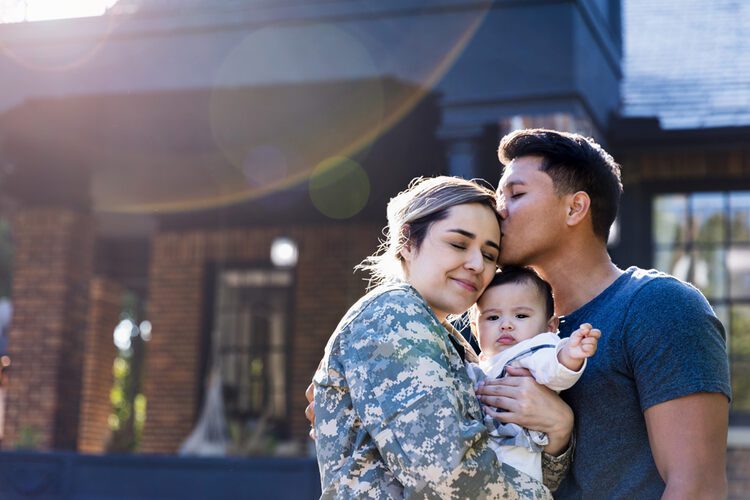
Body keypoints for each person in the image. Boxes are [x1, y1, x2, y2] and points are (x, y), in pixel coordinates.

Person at [475, 128, 731, 499]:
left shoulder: (659, 307)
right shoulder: (492, 326)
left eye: (515, 194)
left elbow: (697, 488)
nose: (498, 210)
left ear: (575, 207)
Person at [312, 176, 557, 498]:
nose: (475, 264)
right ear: (407, 242)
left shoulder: (450, 339)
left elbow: (509, 464)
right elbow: (446, 475)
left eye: (489, 255)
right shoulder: (393, 314)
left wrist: (558, 428)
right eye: (458, 244)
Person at [465, 265, 600, 483]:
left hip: (517, 465)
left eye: (520, 315)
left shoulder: (533, 350)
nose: (506, 325)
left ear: (550, 326)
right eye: (492, 318)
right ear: (475, 327)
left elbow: (553, 370)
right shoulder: (483, 363)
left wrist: (570, 354)